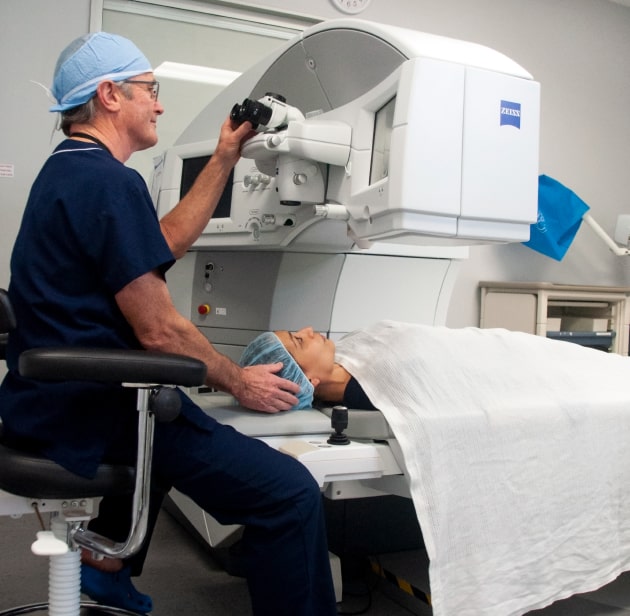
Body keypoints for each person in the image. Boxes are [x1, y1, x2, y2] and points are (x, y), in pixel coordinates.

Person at [0, 32, 337, 616]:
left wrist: (225, 156)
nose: (159, 105)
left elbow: (162, 243)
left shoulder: (70, 172)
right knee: (290, 494)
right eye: (150, 90)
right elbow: (159, 331)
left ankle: (108, 570)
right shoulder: (109, 182)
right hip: (92, 412)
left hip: (46, 401)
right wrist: (239, 380)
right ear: (110, 95)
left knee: (170, 408)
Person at [239, 327, 376, 410]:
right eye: (299, 341)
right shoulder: (372, 394)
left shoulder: (343, 348)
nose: (309, 330)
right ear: (305, 381)